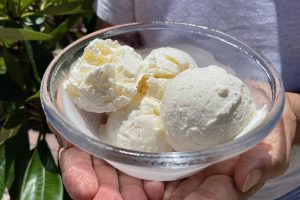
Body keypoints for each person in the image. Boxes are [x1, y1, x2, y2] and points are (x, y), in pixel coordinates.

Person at [58, 1, 300, 199]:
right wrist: (85, 98)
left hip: (286, 186)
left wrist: (294, 114)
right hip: (137, 170)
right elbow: (114, 39)